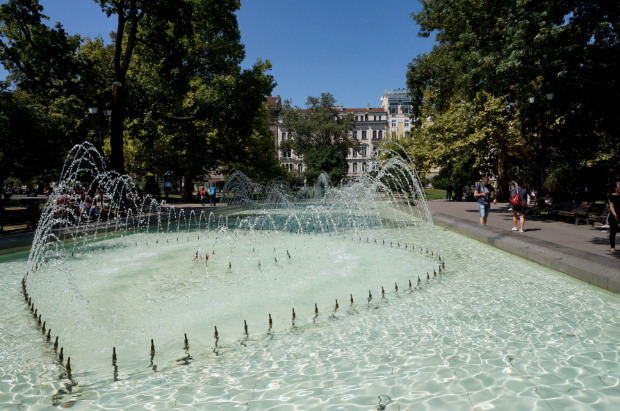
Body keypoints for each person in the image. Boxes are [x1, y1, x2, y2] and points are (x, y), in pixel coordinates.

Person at [607, 181, 620, 253]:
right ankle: (612, 247)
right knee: (613, 232)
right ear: (615, 188)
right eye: (619, 186)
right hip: (614, 215)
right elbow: (611, 207)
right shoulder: (611, 196)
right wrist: (615, 215)